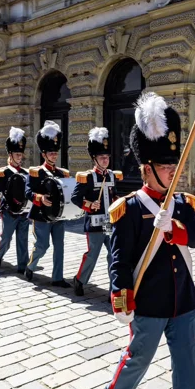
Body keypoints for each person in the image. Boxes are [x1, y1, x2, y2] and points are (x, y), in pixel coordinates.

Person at [101, 92, 195, 389]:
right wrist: (121, 297)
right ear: (146, 168)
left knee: (187, 369)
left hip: (184, 301)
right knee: (137, 360)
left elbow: (194, 237)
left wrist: (174, 228)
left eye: (173, 165)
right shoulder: (129, 209)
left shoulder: (184, 202)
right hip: (148, 301)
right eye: (166, 167)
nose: (173, 172)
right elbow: (119, 259)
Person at [70, 127, 122, 296]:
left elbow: (113, 194)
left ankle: (112, 290)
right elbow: (76, 198)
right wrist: (89, 204)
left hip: (109, 222)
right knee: (92, 254)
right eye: (102, 157)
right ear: (94, 158)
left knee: (113, 255)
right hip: (94, 222)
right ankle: (79, 280)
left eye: (107, 157)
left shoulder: (112, 176)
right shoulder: (88, 177)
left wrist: (116, 200)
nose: (105, 160)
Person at [24, 121, 70, 287]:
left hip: (58, 215)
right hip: (41, 215)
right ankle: (31, 266)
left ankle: (57, 278)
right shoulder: (35, 172)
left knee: (59, 247)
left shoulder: (62, 173)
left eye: (55, 153)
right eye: (51, 153)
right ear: (44, 154)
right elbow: (28, 192)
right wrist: (40, 198)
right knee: (42, 246)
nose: (54, 156)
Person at [0, 128, 30, 271]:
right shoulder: (3, 172)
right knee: (6, 238)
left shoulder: (26, 173)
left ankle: (22, 266)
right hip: (8, 211)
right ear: (10, 154)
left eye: (21, 154)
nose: (19, 157)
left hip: (24, 212)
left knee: (23, 240)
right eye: (17, 154)